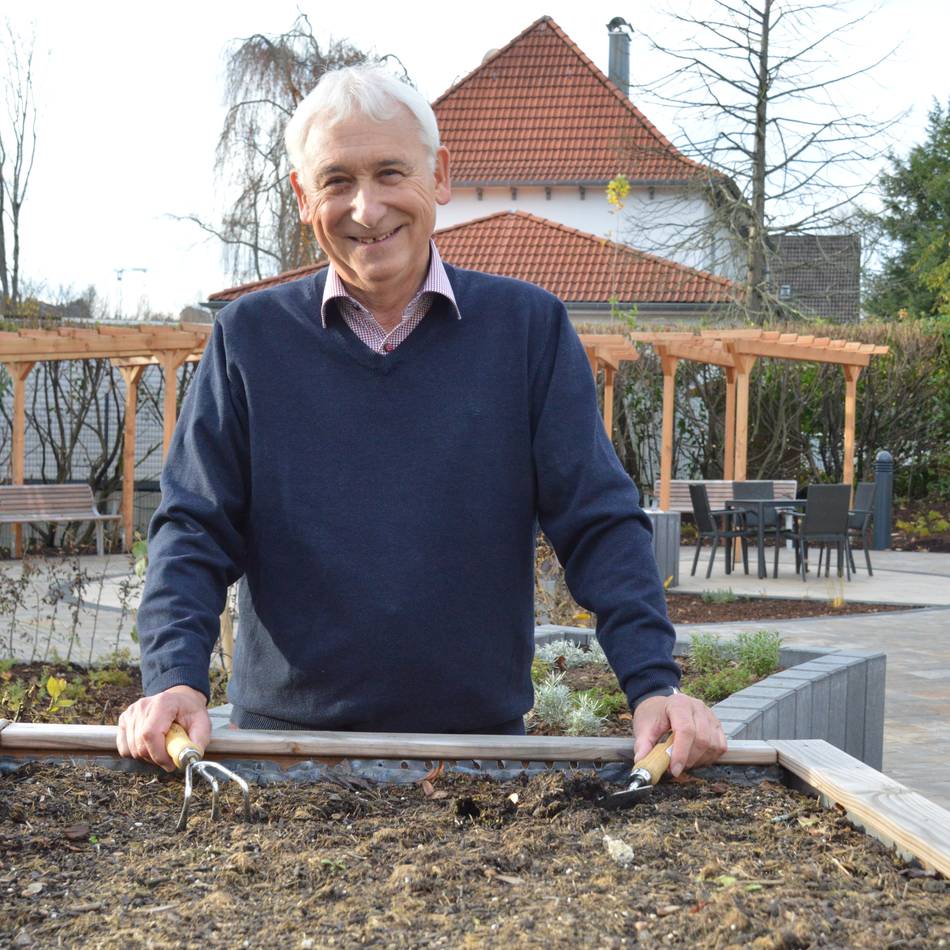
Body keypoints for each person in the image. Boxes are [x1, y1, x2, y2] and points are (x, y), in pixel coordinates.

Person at [117, 64, 726, 776]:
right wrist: (172, 678)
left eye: (390, 173)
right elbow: (194, 525)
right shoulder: (250, 339)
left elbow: (596, 520)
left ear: (440, 175)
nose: (366, 208)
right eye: (336, 180)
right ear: (302, 196)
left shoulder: (526, 330)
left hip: (481, 756)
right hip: (284, 754)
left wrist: (653, 682)